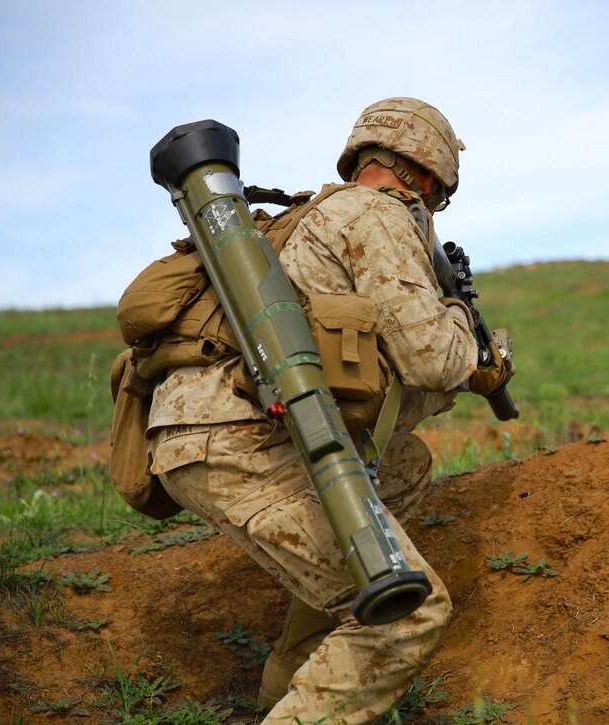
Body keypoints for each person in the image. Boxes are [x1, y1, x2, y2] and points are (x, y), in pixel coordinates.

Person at [142, 97, 512, 723]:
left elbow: (363, 389)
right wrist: (468, 333)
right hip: (245, 442)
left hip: (205, 429)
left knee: (402, 466)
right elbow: (430, 358)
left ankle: (284, 691)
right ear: (426, 176)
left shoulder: (309, 218)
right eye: (438, 196)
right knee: (406, 615)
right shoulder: (378, 214)